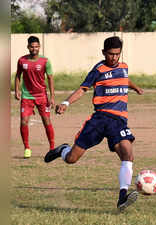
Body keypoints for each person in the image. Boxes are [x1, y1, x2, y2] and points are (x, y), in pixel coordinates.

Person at [43, 36, 144, 211]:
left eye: (117, 54)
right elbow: (83, 89)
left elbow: (125, 78)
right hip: (99, 120)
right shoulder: (98, 69)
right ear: (104, 52)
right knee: (72, 159)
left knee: (128, 155)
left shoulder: (124, 67)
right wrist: (66, 103)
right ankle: (63, 150)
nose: (114, 58)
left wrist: (134, 87)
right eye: (111, 54)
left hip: (118, 121)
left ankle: (122, 197)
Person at [14, 36, 55, 158]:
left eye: (36, 46)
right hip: (27, 96)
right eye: (32, 46)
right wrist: (17, 90)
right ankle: (27, 148)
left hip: (42, 96)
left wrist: (52, 97)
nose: (34, 48)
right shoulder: (22, 61)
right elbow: (18, 75)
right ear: (28, 47)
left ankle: (52, 147)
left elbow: (50, 78)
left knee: (46, 121)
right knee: (23, 121)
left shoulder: (45, 61)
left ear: (39, 47)